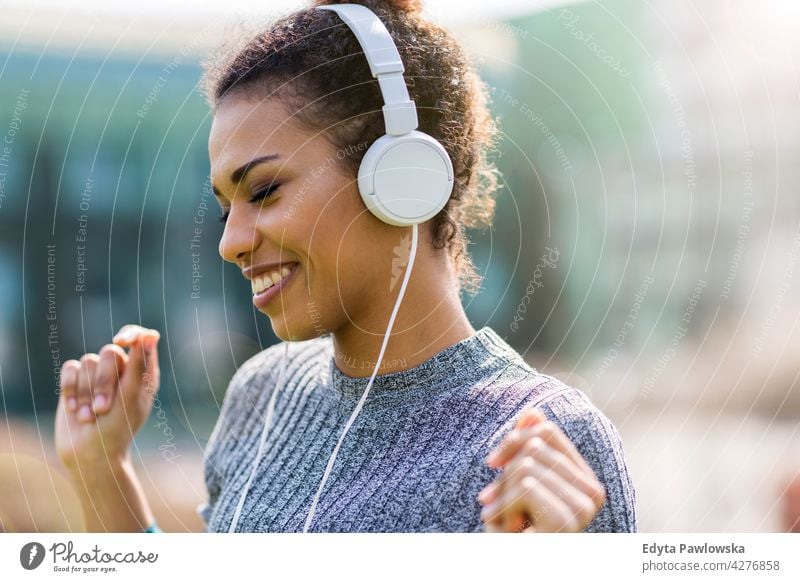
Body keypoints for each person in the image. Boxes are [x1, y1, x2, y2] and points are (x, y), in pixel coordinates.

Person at [54, 0, 637, 533]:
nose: (229, 243)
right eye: (224, 204)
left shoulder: (542, 443)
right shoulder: (264, 393)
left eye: (262, 191)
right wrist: (100, 471)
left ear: (398, 179)